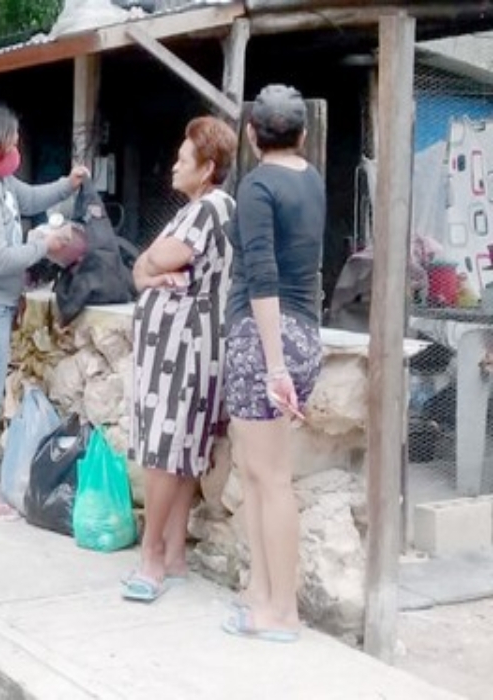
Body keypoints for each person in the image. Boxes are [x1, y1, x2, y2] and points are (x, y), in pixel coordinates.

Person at [221, 85, 325, 643]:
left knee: (270, 478)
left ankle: (282, 610)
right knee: (261, 476)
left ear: (253, 135)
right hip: (302, 331)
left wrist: (274, 365)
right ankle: (262, 598)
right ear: (303, 134)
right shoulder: (310, 180)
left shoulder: (258, 184)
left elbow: (262, 276)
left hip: (264, 338)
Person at [121, 116, 238, 603]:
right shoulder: (218, 208)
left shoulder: (206, 211)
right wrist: (147, 271)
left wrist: (147, 267)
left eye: (183, 160)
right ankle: (172, 551)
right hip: (196, 344)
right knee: (185, 448)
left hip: (181, 347)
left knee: (165, 449)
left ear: (208, 168)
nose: (173, 166)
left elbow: (154, 260)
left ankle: (151, 557)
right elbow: (142, 271)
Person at [0, 104, 88, 520]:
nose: (18, 149)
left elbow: (31, 198)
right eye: (12, 143)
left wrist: (68, 184)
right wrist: (44, 246)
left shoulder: (2, 183)